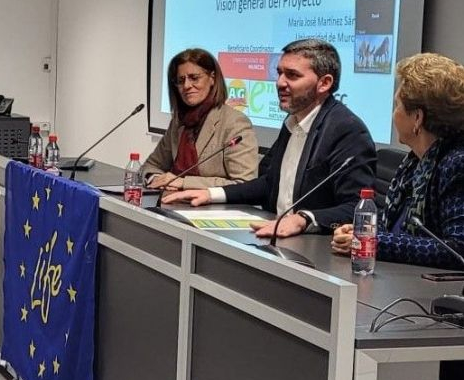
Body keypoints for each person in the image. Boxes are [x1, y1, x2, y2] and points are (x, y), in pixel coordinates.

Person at [163, 39, 378, 238]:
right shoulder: (293, 122)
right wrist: (212, 194)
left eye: (292, 75)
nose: (280, 83)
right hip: (274, 234)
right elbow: (269, 184)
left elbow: (358, 207)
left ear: (324, 83)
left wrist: (304, 219)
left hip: (317, 247)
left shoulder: (347, 130)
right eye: (279, 73)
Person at [330, 53, 464, 268]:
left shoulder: (456, 164)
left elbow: (457, 249)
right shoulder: (414, 163)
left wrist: (374, 242)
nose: (394, 114)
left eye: (397, 106)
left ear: (417, 118)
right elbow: (397, 227)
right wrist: (362, 231)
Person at [143, 48, 258, 191]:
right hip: (172, 203)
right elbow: (150, 166)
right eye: (180, 80)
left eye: (194, 78)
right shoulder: (179, 122)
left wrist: (183, 183)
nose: (186, 86)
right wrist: (156, 179)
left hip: (212, 211)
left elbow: (245, 184)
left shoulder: (235, 123)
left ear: (212, 78)